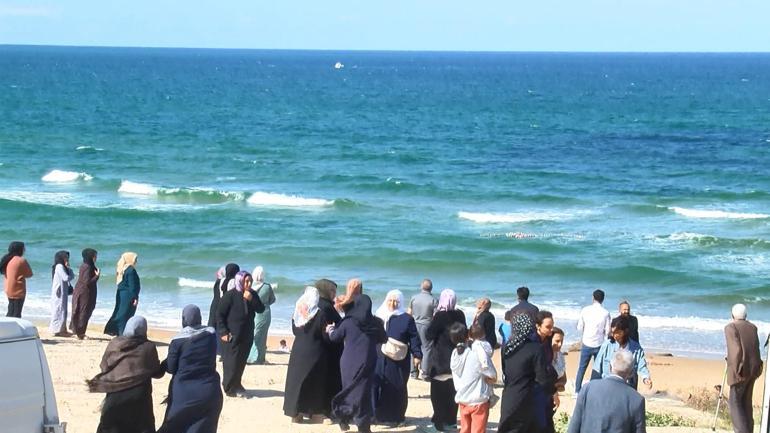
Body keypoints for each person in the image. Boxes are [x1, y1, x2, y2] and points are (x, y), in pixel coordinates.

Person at [87, 316, 164, 433]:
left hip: (115, 393)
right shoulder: (149, 347)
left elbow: (104, 366)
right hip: (140, 397)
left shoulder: (115, 343)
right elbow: (157, 373)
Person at [157, 305, 223, 433]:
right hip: (210, 390)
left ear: (183, 319)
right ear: (200, 318)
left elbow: (171, 368)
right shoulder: (211, 334)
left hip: (184, 393)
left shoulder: (178, 340)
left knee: (174, 426)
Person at [327, 294, 387, 433]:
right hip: (368, 360)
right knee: (364, 393)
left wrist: (330, 329)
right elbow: (384, 339)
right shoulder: (376, 323)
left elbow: (335, 337)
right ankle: (363, 426)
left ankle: (343, 419)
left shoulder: (348, 321)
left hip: (349, 361)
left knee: (348, 390)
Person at [284, 286, 336, 423]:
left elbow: (295, 331)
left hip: (298, 350)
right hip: (315, 351)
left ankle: (295, 414)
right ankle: (314, 413)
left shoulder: (298, 312)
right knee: (313, 383)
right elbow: (324, 336)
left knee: (296, 382)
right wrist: (331, 331)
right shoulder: (319, 314)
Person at [373, 289, 422, 426]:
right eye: (390, 300)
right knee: (380, 385)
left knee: (397, 386)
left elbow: (414, 338)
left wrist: (417, 354)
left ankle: (397, 416)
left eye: (396, 301)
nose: (392, 304)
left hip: (398, 360)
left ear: (400, 302)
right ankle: (379, 415)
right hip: (379, 356)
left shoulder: (407, 319)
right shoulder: (379, 316)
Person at [498, 313, 553, 433]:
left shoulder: (507, 348)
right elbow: (542, 378)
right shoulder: (536, 348)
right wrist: (552, 390)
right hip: (526, 399)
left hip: (508, 397)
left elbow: (505, 371)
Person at [567, 350, 646, 433]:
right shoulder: (636, 399)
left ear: (610, 367)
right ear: (631, 373)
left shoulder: (588, 388)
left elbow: (574, 426)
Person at [216, 270, 265, 397]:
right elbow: (220, 314)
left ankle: (237, 383)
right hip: (232, 334)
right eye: (246, 281)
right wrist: (223, 331)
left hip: (247, 333)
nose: (248, 284)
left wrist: (252, 299)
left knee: (241, 361)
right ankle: (228, 387)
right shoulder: (230, 295)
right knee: (231, 362)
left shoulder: (252, 294)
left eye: (250, 281)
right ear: (240, 281)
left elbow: (261, 309)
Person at [426, 289, 467, 431]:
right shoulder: (460, 314)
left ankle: (439, 423)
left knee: (437, 394)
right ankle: (451, 422)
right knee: (453, 393)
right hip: (458, 358)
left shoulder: (440, 316)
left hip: (440, 361)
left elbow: (429, 334)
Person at [450, 322, 497, 433]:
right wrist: (493, 378)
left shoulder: (454, 355)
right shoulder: (474, 354)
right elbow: (489, 371)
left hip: (463, 398)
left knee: (465, 429)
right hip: (478, 399)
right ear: (468, 336)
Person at [725, 303, 763, 433]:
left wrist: (735, 370)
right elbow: (755, 348)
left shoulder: (731, 327)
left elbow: (735, 350)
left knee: (735, 403)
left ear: (732, 315)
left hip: (740, 370)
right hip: (753, 369)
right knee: (746, 403)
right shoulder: (753, 327)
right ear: (746, 316)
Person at [592, 315, 652, 390]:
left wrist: (646, 378)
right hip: (608, 384)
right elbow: (597, 366)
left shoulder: (636, 348)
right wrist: (593, 385)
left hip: (628, 386)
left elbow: (641, 365)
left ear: (626, 331)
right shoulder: (607, 345)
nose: (615, 336)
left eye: (618, 333)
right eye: (613, 332)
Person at [316, 278, 343, 417]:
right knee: (331, 380)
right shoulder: (326, 306)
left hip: (322, 347)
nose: (335, 294)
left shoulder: (319, 303)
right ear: (325, 291)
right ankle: (328, 409)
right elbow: (338, 324)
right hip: (330, 348)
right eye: (332, 290)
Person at [574, 289, 611, 393]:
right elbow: (608, 331)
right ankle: (593, 390)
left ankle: (577, 390)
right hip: (599, 344)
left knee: (582, 368)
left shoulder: (585, 310)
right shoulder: (605, 313)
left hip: (587, 342)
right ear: (603, 299)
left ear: (593, 298)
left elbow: (579, 327)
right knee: (598, 368)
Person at [104, 252, 141, 336]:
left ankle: (115, 331)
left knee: (120, 312)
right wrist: (135, 297)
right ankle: (122, 333)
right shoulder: (131, 270)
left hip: (121, 294)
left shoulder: (121, 269)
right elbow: (132, 285)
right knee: (126, 313)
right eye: (135, 259)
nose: (136, 261)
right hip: (128, 295)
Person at [408, 278, 438, 380]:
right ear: (431, 288)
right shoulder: (433, 300)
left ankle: (413, 372)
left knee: (413, 347)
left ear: (421, 286)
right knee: (427, 349)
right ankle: (425, 373)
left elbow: (409, 313)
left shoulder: (414, 298)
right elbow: (435, 316)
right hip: (427, 325)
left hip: (414, 324)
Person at [534, 310, 559, 433]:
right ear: (538, 326)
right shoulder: (533, 343)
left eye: (552, 326)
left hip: (548, 387)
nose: (551, 330)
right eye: (548, 327)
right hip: (537, 388)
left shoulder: (548, 340)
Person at [247, 266, 276, 365]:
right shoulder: (267, 286)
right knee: (262, 336)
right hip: (265, 313)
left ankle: (253, 357)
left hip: (252, 312)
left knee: (253, 334)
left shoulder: (249, 286)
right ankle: (258, 358)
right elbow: (273, 300)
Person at [70, 248, 100, 339]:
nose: (96, 258)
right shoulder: (88, 266)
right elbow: (87, 282)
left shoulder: (85, 265)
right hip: (85, 292)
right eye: (94, 256)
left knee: (80, 310)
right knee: (84, 311)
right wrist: (97, 276)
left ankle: (77, 331)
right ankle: (80, 333)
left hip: (82, 291)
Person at [1, 241, 32, 318]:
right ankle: (11, 328)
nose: (24, 250)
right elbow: (29, 274)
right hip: (18, 290)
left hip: (8, 288)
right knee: (17, 313)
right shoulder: (21, 260)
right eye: (23, 248)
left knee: (11, 310)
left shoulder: (6, 259)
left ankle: (6, 326)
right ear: (19, 249)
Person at [49, 250, 75, 336]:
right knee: (59, 310)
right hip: (59, 292)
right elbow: (66, 278)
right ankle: (57, 330)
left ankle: (63, 329)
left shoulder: (61, 266)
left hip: (62, 292)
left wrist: (68, 269)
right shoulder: (59, 266)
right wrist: (70, 271)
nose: (67, 259)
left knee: (62, 310)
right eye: (65, 257)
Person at [551, 327, 567, 393]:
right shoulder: (543, 357)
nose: (560, 344)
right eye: (557, 341)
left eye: (562, 341)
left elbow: (564, 377)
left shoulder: (560, 355)